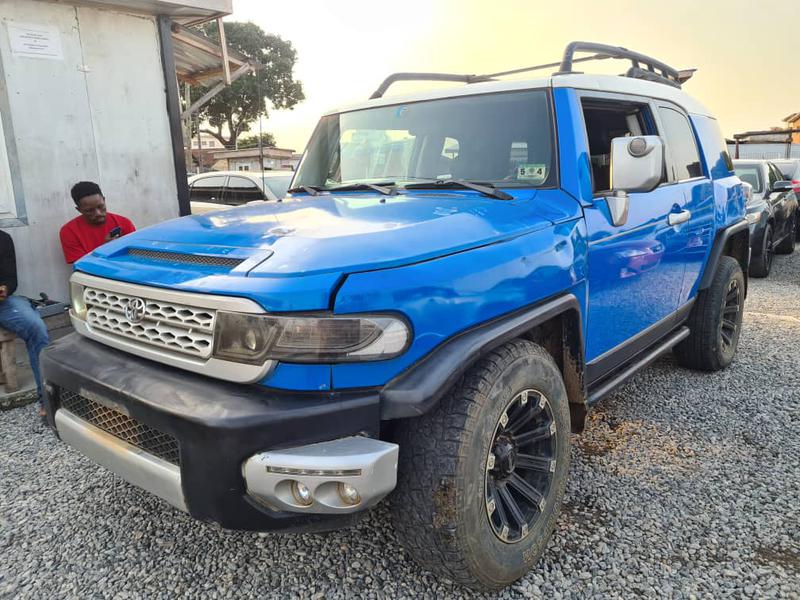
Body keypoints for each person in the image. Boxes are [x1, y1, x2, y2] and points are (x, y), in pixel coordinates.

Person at [0, 230, 49, 417]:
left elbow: (10, 278)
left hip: (3, 304)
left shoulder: (2, 238)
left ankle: (47, 399)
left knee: (35, 327)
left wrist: (5, 288)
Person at [59, 181, 135, 264]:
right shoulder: (69, 231)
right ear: (79, 210)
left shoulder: (124, 223)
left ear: (104, 200)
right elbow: (82, 265)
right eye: (89, 210)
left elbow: (136, 256)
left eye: (100, 206)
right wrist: (105, 249)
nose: (98, 213)